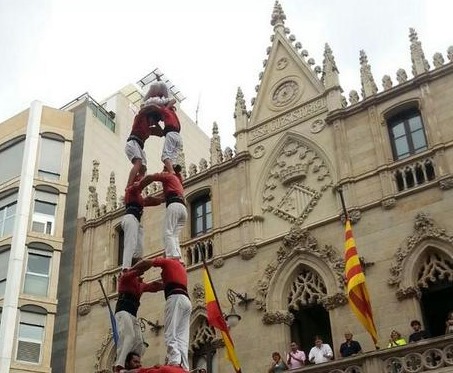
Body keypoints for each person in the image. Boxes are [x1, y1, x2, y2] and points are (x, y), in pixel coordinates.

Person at [132, 257, 192, 371]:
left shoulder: (168, 262)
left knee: (170, 332)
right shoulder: (180, 269)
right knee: (182, 335)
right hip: (186, 301)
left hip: (175, 298)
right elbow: (158, 285)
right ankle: (184, 365)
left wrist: (130, 269)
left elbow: (146, 262)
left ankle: (174, 361)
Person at [114, 265, 164, 373]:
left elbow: (153, 287)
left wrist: (167, 285)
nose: (142, 278)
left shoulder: (139, 286)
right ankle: (119, 365)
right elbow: (133, 273)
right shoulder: (125, 279)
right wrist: (143, 266)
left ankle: (134, 364)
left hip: (132, 314)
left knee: (140, 343)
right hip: (122, 312)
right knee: (129, 336)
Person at [135, 166, 186, 259]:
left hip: (174, 206)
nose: (162, 171)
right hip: (182, 209)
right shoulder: (176, 182)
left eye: (163, 169)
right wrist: (146, 201)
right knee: (174, 235)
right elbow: (161, 200)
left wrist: (139, 184)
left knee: (168, 232)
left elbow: (150, 177)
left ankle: (172, 256)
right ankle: (178, 257)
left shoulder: (168, 176)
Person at [122, 165, 164, 268]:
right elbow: (142, 182)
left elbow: (151, 201)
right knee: (130, 244)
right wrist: (143, 173)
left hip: (136, 221)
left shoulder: (138, 197)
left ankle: (135, 267)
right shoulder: (130, 190)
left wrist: (167, 197)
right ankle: (125, 268)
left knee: (139, 249)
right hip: (130, 218)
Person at [125, 106, 163, 187]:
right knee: (138, 162)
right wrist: (159, 109)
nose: (152, 124)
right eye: (153, 121)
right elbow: (144, 109)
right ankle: (128, 185)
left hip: (139, 147)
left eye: (154, 123)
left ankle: (138, 185)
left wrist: (156, 122)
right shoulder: (140, 118)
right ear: (150, 116)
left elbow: (161, 133)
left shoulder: (149, 129)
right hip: (133, 142)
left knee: (143, 169)